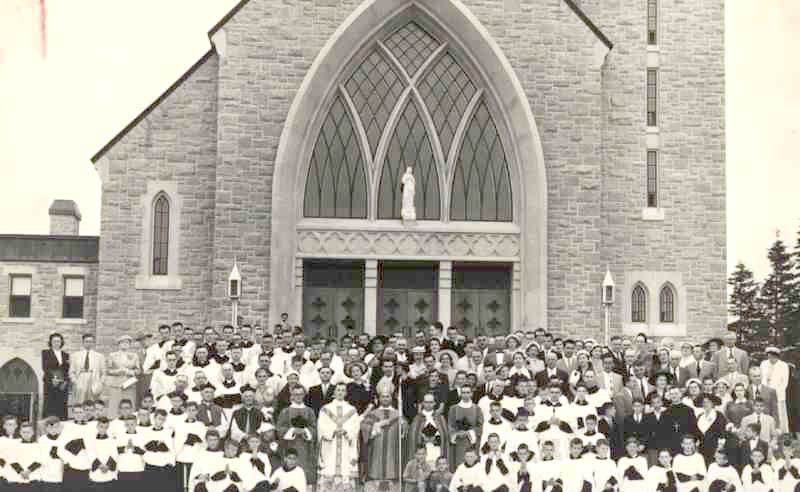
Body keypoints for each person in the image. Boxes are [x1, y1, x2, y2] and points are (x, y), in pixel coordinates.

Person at [360, 390, 407, 492]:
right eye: (383, 396)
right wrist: (375, 426)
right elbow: (364, 428)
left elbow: (405, 433)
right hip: (376, 450)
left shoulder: (398, 414)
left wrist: (404, 426)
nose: (385, 399)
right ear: (379, 399)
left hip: (393, 450)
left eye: (387, 396)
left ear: (391, 398)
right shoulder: (372, 414)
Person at [317, 383, 360, 491]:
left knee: (345, 474)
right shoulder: (325, 409)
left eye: (343, 390)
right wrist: (332, 431)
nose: (340, 392)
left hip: (346, 446)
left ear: (346, 393)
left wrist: (347, 432)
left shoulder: (352, 410)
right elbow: (321, 427)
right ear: (334, 393)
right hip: (330, 445)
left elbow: (355, 427)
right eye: (338, 390)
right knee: (328, 473)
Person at [276, 384, 316, 487]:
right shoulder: (285, 411)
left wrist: (305, 431)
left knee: (303, 475)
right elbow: (279, 428)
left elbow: (314, 428)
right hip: (289, 445)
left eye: (300, 394)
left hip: (305, 448)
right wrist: (293, 430)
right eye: (295, 394)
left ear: (304, 395)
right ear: (292, 395)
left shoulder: (310, 411)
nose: (298, 396)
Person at [447, 384, 482, 468]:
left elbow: (480, 425)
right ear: (460, 394)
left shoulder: (477, 408)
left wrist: (469, 432)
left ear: (471, 394)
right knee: (459, 465)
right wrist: (456, 433)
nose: (465, 395)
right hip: (459, 442)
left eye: (468, 392)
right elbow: (450, 425)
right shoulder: (453, 408)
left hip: (472, 443)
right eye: (463, 392)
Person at [105, 335, 141, 415]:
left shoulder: (134, 356)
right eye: (122, 342)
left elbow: (138, 370)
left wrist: (129, 372)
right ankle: (114, 419)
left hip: (129, 384)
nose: (125, 344)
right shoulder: (113, 355)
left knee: (129, 403)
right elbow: (108, 370)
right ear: (119, 344)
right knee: (115, 404)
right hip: (116, 384)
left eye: (127, 342)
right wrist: (117, 371)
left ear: (130, 344)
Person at [761, 346, 790, 433]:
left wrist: (775, 392)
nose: (771, 359)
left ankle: (780, 430)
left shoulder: (783, 365)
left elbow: (784, 382)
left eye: (773, 357)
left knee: (779, 412)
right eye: (769, 356)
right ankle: (766, 429)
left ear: (777, 356)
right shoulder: (763, 364)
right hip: (765, 392)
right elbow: (761, 377)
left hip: (778, 393)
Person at [70, 334, 106, 403]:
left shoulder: (99, 356)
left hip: (94, 378)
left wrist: (100, 383)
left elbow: (104, 373)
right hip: (81, 378)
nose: (88, 343)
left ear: (93, 343)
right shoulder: (75, 355)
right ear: (83, 342)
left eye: (91, 342)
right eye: (86, 341)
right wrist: (76, 382)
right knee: (80, 402)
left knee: (93, 402)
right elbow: (71, 372)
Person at [42, 332, 70, 419]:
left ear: (61, 342)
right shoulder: (45, 353)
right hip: (51, 383)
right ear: (50, 342)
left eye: (58, 341)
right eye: (54, 341)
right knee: (50, 405)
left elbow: (66, 370)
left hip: (62, 384)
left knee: (62, 404)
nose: (56, 343)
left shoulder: (66, 355)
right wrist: (53, 380)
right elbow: (45, 367)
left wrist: (65, 381)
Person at [87, 417, 118, 492]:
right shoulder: (91, 440)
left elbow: (114, 454)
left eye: (106, 427)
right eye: (101, 427)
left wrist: (107, 466)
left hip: (109, 472)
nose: (103, 429)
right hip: (96, 472)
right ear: (97, 426)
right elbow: (90, 454)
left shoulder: (112, 440)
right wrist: (100, 465)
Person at [697, 393, 728, 465]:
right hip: (702, 447)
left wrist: (720, 447)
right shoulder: (700, 416)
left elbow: (722, 432)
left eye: (708, 402)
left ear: (713, 403)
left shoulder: (719, 415)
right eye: (704, 402)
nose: (705, 404)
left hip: (714, 447)